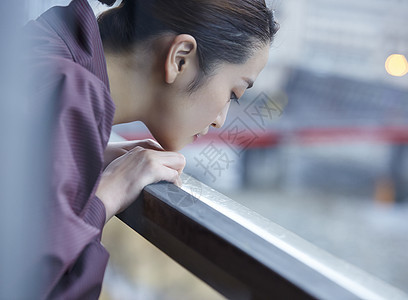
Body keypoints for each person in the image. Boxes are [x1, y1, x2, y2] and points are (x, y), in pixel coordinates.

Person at [24, 0, 278, 298]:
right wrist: (111, 192)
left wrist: (86, 157)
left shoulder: (49, 49)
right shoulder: (66, 90)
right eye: (233, 94)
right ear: (180, 58)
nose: (221, 121)